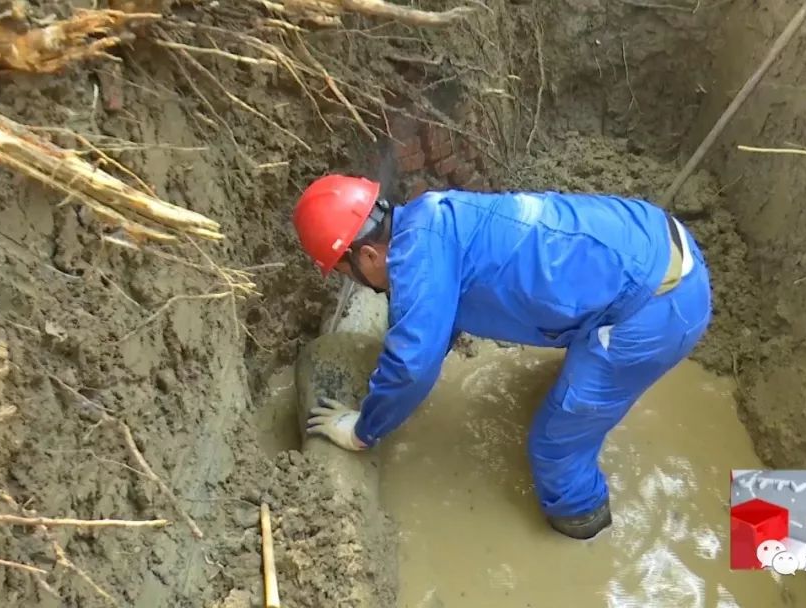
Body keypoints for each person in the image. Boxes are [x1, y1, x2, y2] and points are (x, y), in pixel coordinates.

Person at [293, 174, 712, 540]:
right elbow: (431, 322)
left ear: (367, 255)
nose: (364, 286)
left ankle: (584, 525)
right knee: (771, 547)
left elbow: (411, 366)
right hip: (653, 241)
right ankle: (774, 544)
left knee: (554, 447)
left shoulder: (417, 263)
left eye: (349, 275)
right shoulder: (431, 216)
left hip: (657, 308)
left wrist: (362, 430)